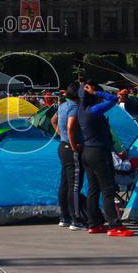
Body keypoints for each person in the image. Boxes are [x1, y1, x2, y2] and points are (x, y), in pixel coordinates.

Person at [77, 81, 133, 237]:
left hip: (87, 152)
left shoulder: (81, 110)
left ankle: (94, 223)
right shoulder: (93, 110)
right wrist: (96, 92)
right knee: (108, 189)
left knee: (93, 189)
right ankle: (115, 225)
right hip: (99, 152)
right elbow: (113, 100)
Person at [50, 81, 86, 230]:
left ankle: (64, 217)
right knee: (75, 185)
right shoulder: (75, 107)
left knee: (65, 183)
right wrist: (73, 145)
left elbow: (53, 120)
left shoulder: (63, 105)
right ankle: (76, 219)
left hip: (62, 146)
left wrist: (61, 134)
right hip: (72, 148)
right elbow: (71, 126)